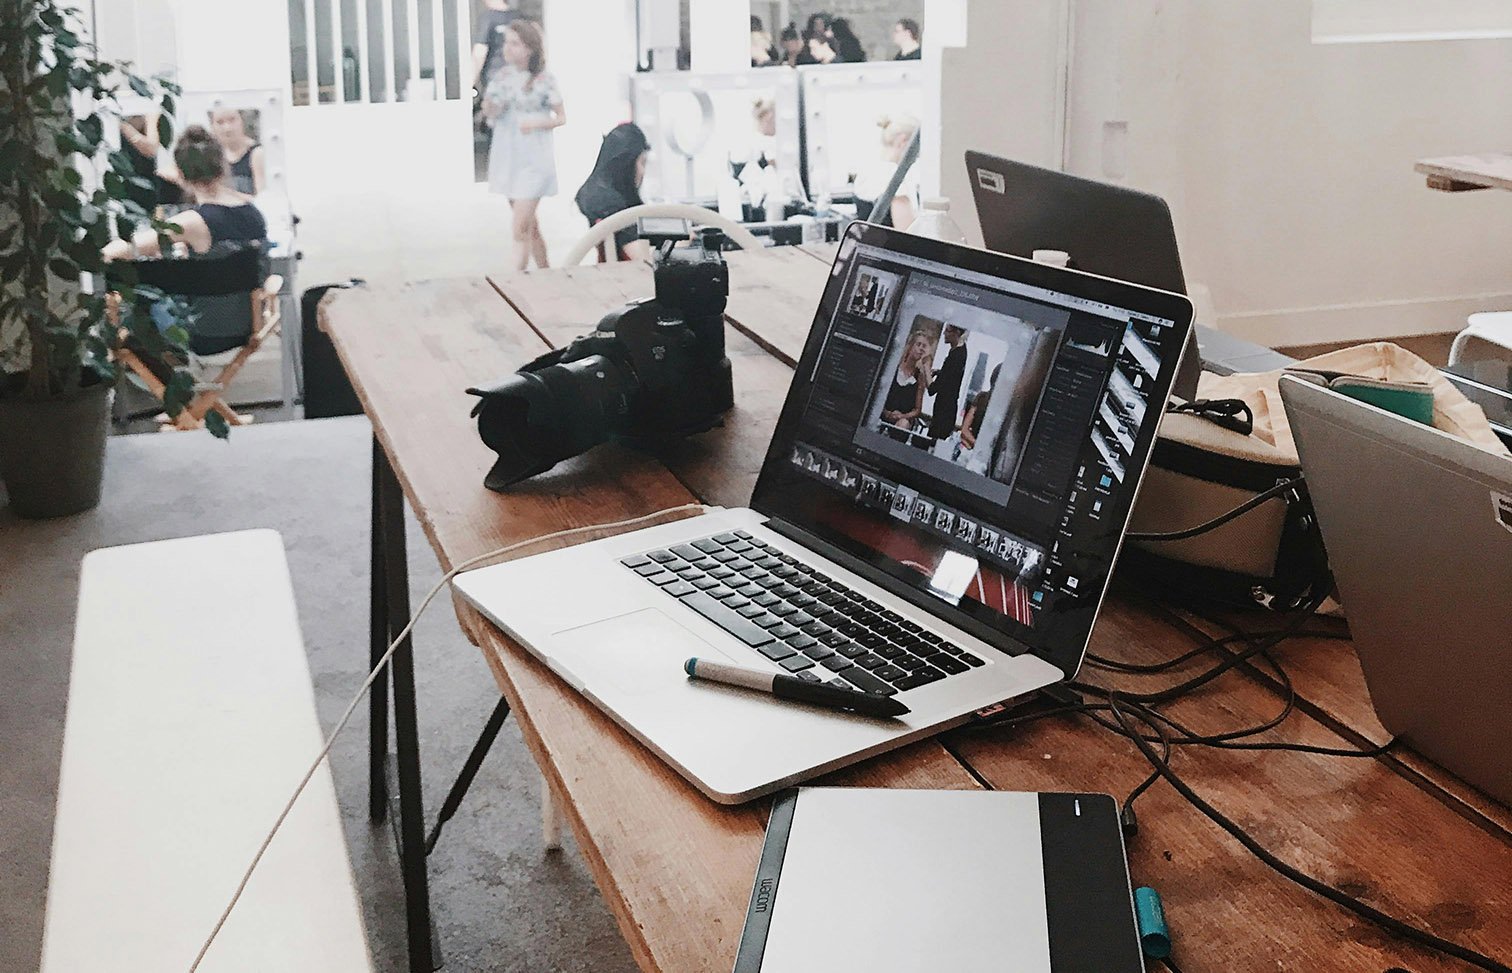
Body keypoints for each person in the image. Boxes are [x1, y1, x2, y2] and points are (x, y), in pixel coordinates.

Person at [104, 125, 266, 262]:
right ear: (224, 166)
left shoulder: (191, 222)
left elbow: (118, 251)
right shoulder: (253, 212)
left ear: (180, 174)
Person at [483, 20, 565, 271]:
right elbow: (490, 113)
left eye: (515, 43)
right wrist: (490, 104)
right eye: (506, 43)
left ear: (529, 48)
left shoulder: (544, 79)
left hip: (534, 160)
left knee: (519, 229)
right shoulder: (502, 77)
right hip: (508, 158)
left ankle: (513, 280)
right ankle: (546, 272)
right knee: (530, 226)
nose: (508, 49)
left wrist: (538, 122)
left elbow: (561, 117)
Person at [575, 123, 652, 263]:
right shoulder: (612, 207)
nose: (643, 171)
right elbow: (645, 262)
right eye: (642, 163)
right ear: (626, 165)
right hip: (631, 278)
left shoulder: (595, 194)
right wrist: (683, 241)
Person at [851, 114, 919, 228]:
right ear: (903, 141)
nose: (917, 157)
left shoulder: (867, 170)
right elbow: (907, 232)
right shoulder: (894, 178)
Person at [119, 111, 185, 208]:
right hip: (130, 181)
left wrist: (123, 126)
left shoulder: (152, 114)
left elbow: (151, 148)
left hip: (157, 182)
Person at [882, 328, 936, 429]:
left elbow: (917, 410)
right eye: (918, 344)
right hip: (883, 415)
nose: (921, 349)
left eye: (924, 346)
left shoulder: (919, 378)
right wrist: (886, 412)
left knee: (903, 424)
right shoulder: (894, 368)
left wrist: (901, 416)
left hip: (902, 421)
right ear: (911, 346)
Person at [209, 108, 265, 196]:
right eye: (220, 122)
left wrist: (228, 195)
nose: (227, 128)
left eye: (232, 120)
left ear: (242, 121)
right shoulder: (213, 155)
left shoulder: (257, 153)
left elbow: (261, 198)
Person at [928, 325, 969, 440]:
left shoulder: (955, 356)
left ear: (956, 332)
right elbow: (952, 374)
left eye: (947, 331)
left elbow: (932, 389)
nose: (944, 333)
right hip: (948, 408)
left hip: (943, 412)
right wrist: (940, 372)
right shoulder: (961, 351)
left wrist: (925, 369)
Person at [471, 0, 518, 95]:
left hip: (495, 76)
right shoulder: (519, 18)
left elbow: (479, 53)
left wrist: (470, 82)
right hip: (519, 77)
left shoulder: (487, 19)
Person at [960, 363, 1000, 450]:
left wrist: (977, 446)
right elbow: (964, 430)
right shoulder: (982, 398)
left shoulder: (981, 397)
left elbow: (964, 430)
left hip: (974, 447)